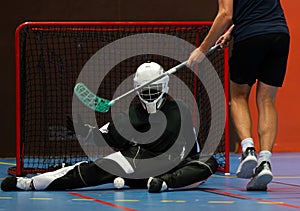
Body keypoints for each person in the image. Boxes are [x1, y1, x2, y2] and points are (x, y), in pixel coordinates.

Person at [1, 61, 218, 193]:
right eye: (146, 90)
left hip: (176, 168)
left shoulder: (181, 109)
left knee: (209, 162)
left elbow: (194, 149)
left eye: (155, 89)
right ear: (137, 90)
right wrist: (85, 132)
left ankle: (161, 184)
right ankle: (29, 184)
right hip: (139, 162)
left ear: (165, 86)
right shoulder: (132, 115)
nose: (150, 94)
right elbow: (106, 135)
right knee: (91, 169)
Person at [187, 0, 290, 191]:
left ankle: (248, 150)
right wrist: (232, 31)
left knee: (238, 96)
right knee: (267, 100)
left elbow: (226, 14)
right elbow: (256, 9)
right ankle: (265, 161)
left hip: (250, 36)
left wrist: (201, 50)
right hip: (279, 33)